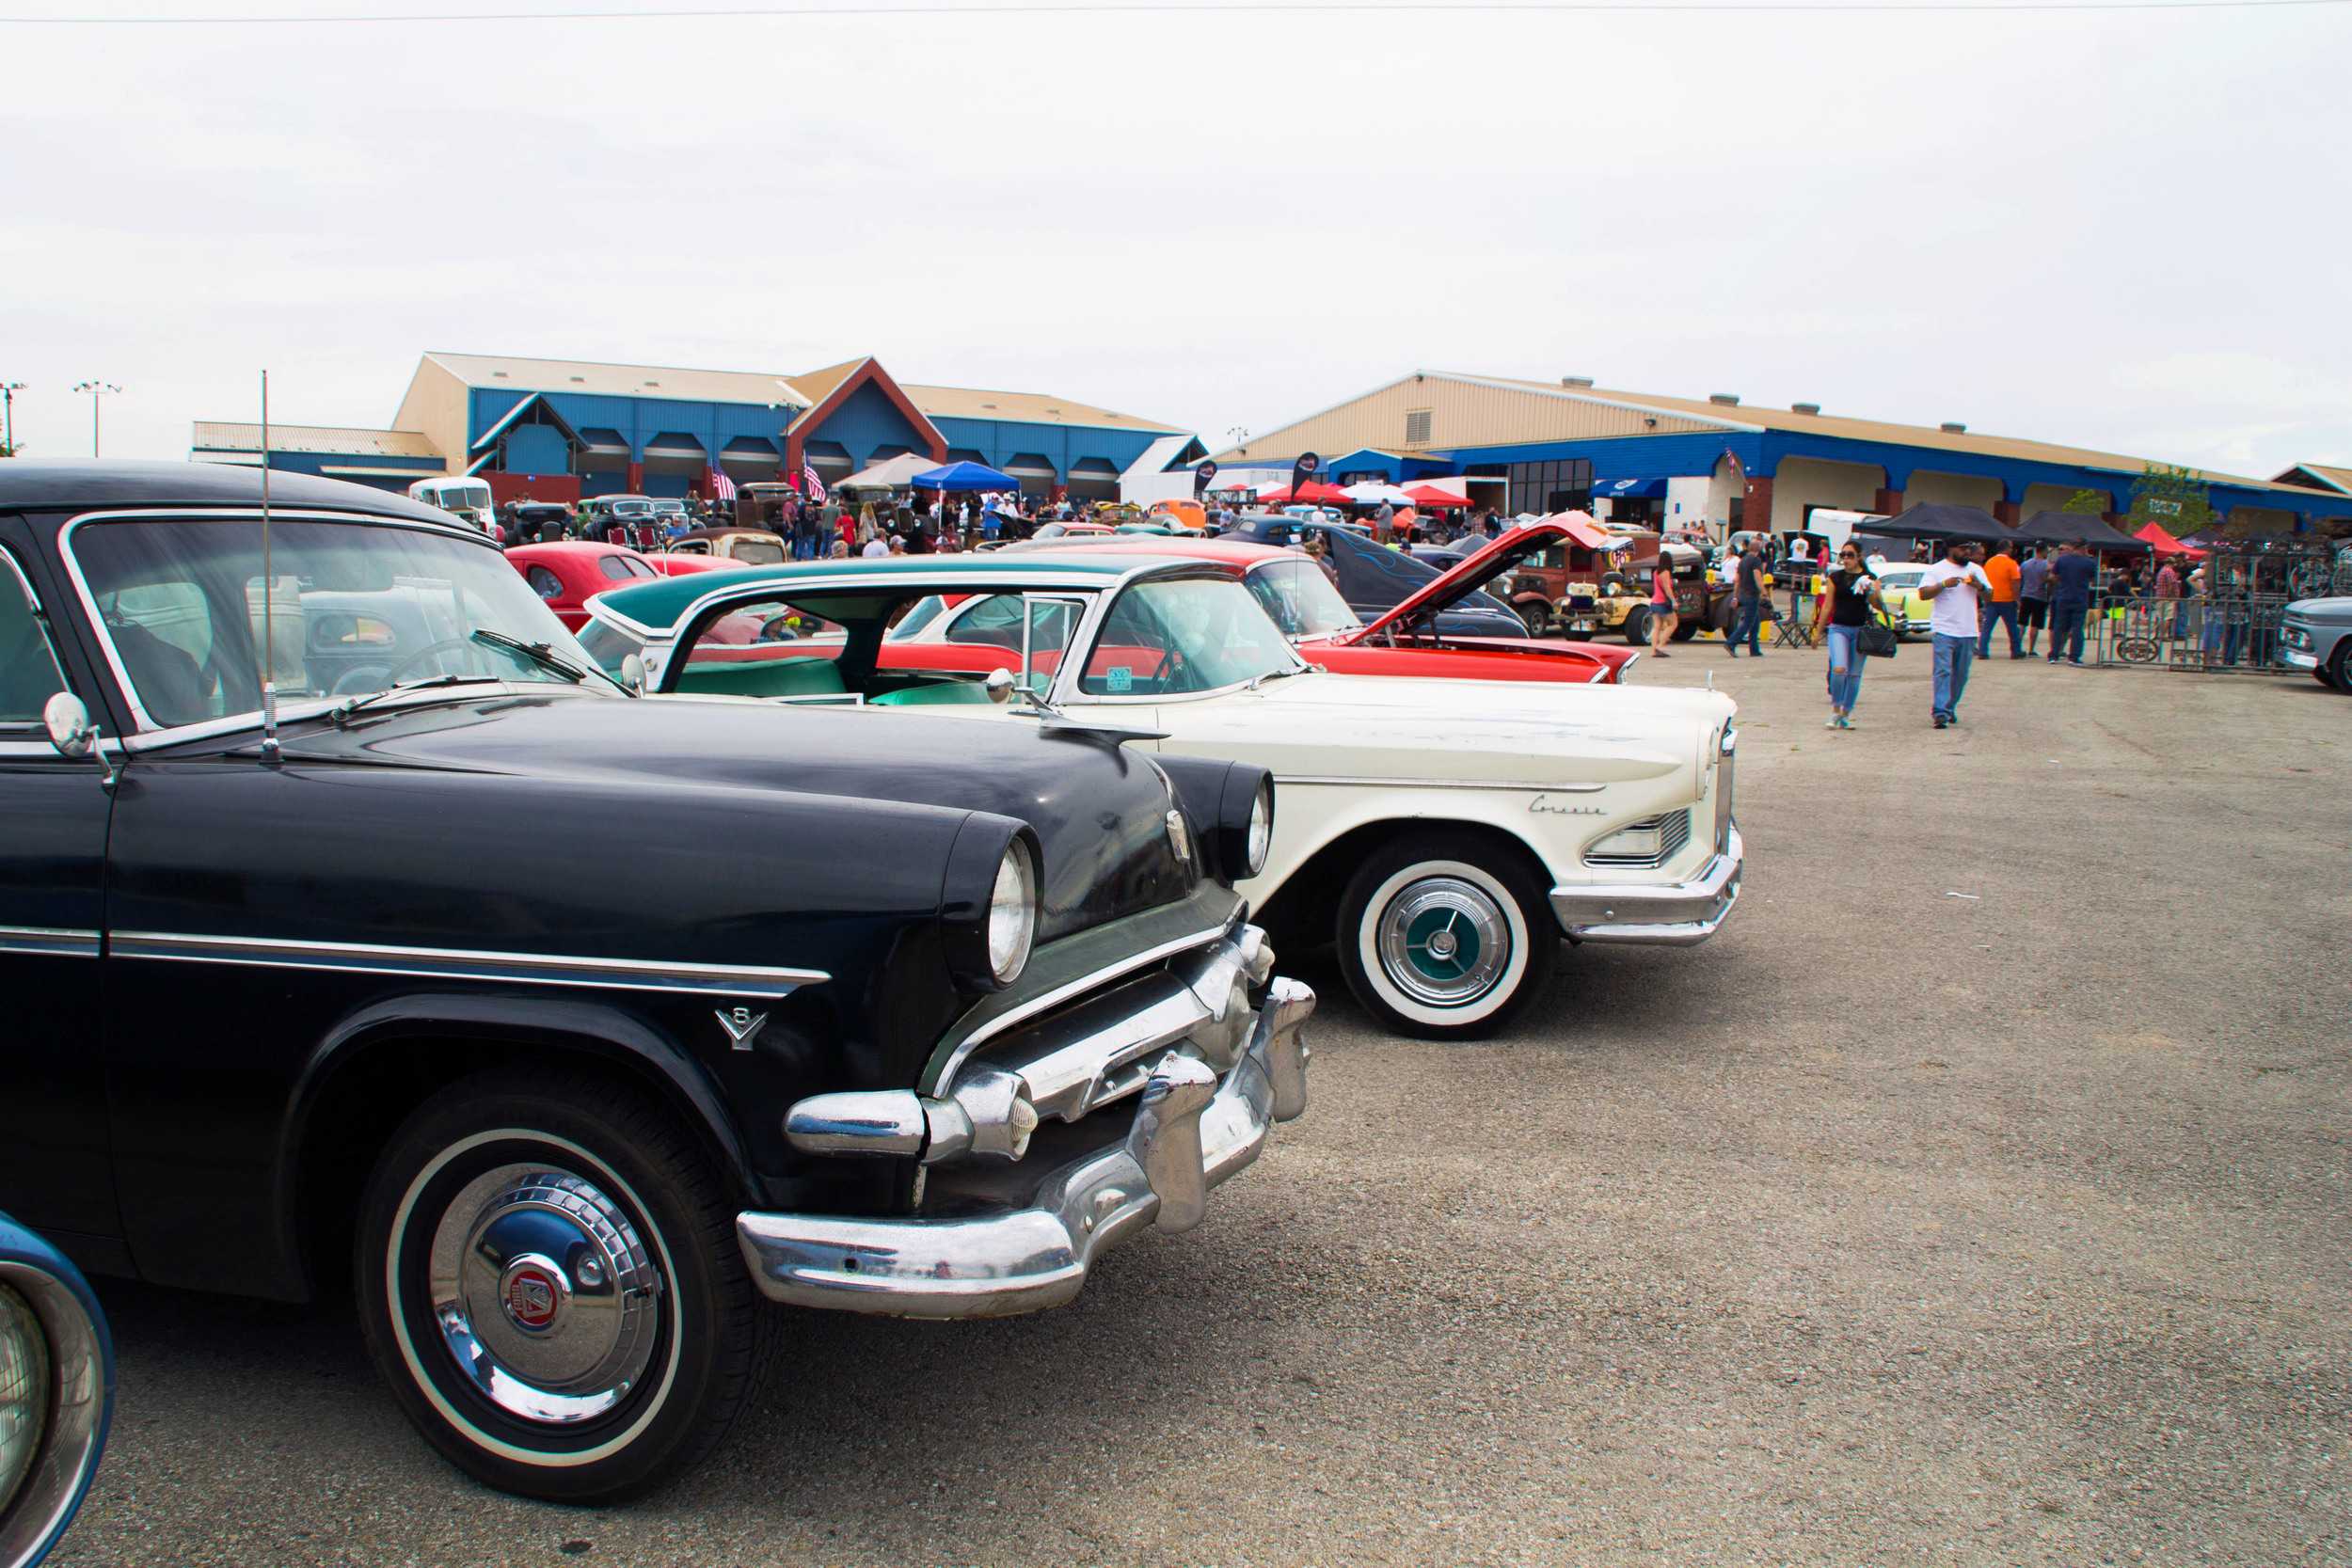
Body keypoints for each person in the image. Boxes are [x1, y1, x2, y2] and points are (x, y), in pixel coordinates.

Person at [1917, 537, 1991, 728]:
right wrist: (1943, 585)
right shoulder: (1936, 570)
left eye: (1969, 548)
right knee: (1943, 671)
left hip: (1968, 630)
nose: (1967, 552)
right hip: (1944, 629)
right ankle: (1940, 712)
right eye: (1963, 548)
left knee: (1961, 674)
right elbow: (1923, 594)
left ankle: (1949, 708)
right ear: (1950, 550)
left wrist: (1979, 586)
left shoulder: (1975, 570)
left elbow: (1990, 596)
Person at [1820, 542, 1889, 729]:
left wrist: (1872, 591)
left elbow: (1877, 605)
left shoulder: (1869, 577)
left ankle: (1846, 713)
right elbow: (1828, 605)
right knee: (1839, 669)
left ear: (1859, 556)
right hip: (1838, 628)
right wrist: (1818, 631)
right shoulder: (1835, 577)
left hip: (1860, 629)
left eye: (1850, 555)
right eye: (1843, 555)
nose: (1846, 559)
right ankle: (1836, 708)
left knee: (1854, 674)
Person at [2045, 539, 2100, 667]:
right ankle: (2074, 657)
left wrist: (2062, 580)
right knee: (2077, 628)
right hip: (2080, 598)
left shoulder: (2062, 560)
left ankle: (2054, 655)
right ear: (2084, 547)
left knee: (2059, 627)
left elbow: (2052, 576)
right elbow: (2092, 579)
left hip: (2063, 597)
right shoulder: (2090, 562)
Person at [1978, 539, 2024, 658]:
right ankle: (2016, 651)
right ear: (2008, 549)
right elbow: (2016, 583)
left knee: (1987, 627)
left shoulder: (1989, 562)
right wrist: (2017, 599)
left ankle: (1982, 651)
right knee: (2012, 627)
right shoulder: (2011, 563)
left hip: (1991, 599)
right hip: (2007, 600)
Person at [1728, 538, 1765, 657]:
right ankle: (1731, 643)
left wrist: (1735, 596)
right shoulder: (1756, 560)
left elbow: (1737, 580)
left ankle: (1754, 649)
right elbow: (1757, 577)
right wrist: (1764, 592)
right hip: (1751, 595)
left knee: (1755, 622)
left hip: (1742, 594)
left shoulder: (1742, 560)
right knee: (1748, 622)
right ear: (1758, 550)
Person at [2017, 546, 2054, 656]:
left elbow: (2020, 578)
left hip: (2026, 595)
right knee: (2035, 625)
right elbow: (2050, 579)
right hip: (2040, 596)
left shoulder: (2025, 564)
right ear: (2043, 551)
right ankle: (2031, 649)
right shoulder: (2047, 565)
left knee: (2022, 623)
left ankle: (2017, 646)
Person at [1647, 551, 1678, 659]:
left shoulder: (1656, 572)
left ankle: (1654, 650)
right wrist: (1673, 601)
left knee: (1657, 626)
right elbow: (1667, 588)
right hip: (1662, 602)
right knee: (1673, 624)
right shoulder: (1665, 572)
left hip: (1654, 602)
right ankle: (1660, 646)